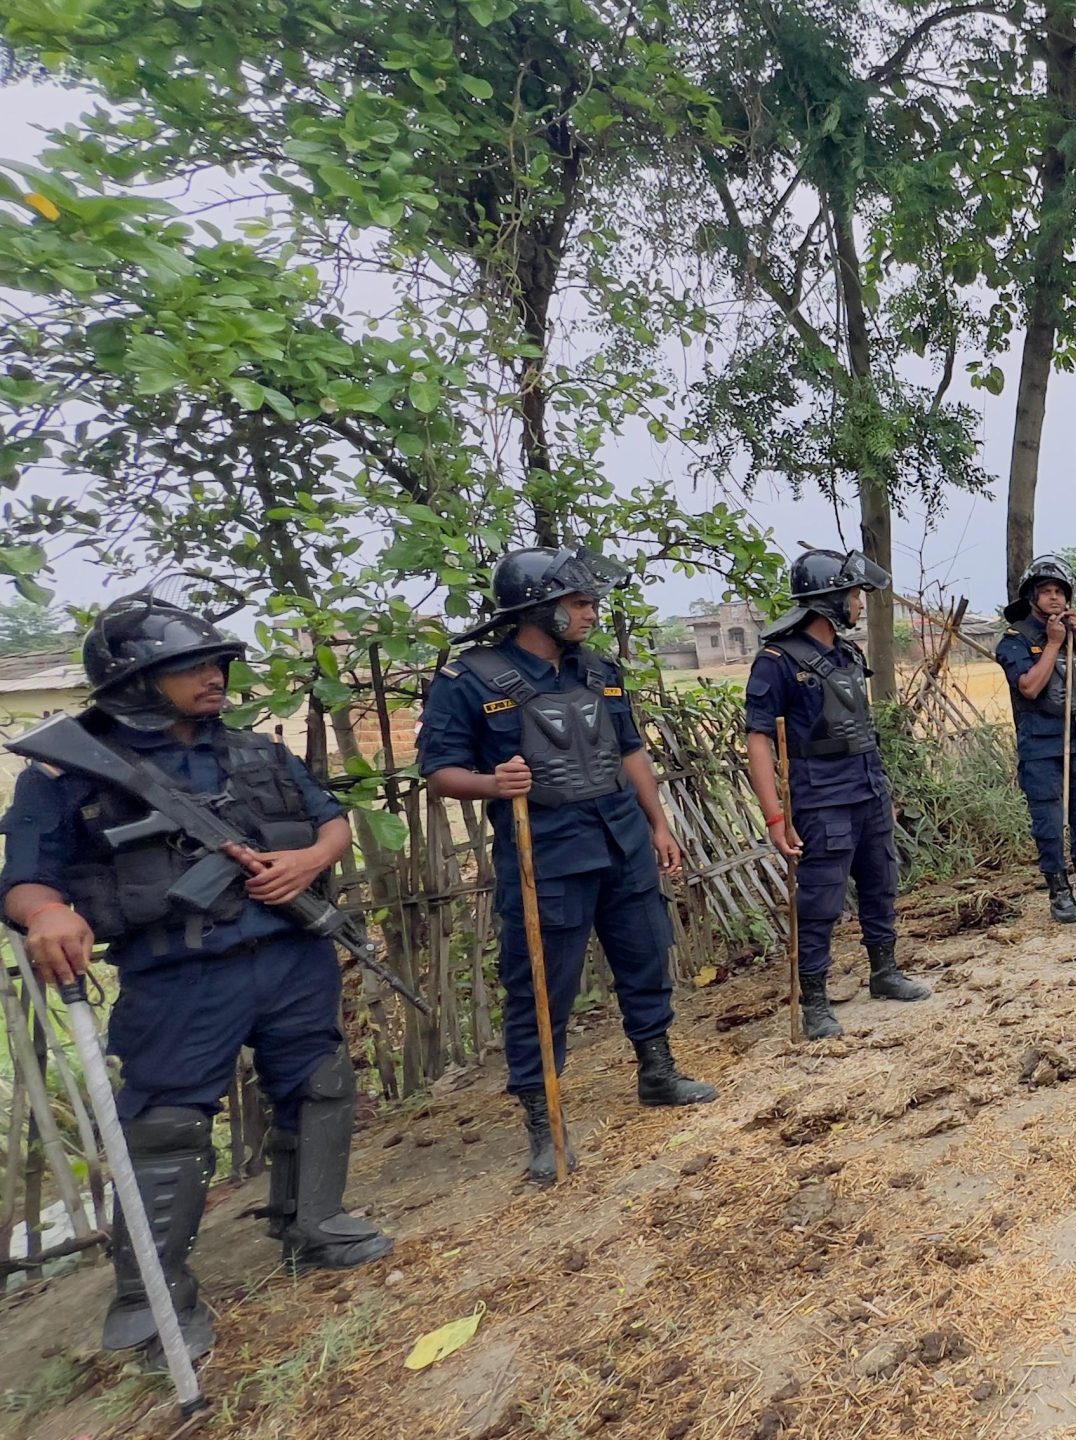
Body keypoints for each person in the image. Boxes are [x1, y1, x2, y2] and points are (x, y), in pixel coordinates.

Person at [1, 597, 392, 1363]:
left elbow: (330, 819)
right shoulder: (66, 770)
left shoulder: (254, 752)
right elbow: (24, 877)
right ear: (136, 681)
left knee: (320, 1084)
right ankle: (150, 1298)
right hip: (178, 972)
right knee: (167, 1129)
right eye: (192, 667)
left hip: (290, 955)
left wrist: (308, 861)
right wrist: (45, 913)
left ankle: (314, 1224)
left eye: (218, 664)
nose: (215, 676)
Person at [419, 547, 716, 1185]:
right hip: (546, 855)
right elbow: (439, 773)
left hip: (621, 841)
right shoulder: (469, 680)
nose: (591, 613)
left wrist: (659, 824)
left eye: (591, 602)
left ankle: (658, 1071)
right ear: (538, 610)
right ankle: (543, 1117)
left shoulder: (600, 671)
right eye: (579, 603)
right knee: (541, 985)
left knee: (645, 956)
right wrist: (492, 784)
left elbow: (630, 752)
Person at [745, 549, 928, 1038]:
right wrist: (775, 816)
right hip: (821, 798)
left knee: (880, 881)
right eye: (853, 595)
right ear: (830, 599)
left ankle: (885, 972)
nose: (859, 604)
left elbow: (861, 731)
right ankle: (815, 1001)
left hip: (867, 790)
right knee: (821, 899)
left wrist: (882, 789)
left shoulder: (848, 655)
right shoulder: (777, 662)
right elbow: (758, 739)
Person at [995, 556, 1076, 924]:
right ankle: (1059, 891)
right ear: (1032, 596)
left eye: (1060, 592)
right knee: (1050, 822)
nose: (1054, 598)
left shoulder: (1070, 633)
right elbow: (1029, 686)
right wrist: (1053, 644)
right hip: (1039, 745)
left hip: (1075, 741)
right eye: (1047, 591)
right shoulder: (1015, 640)